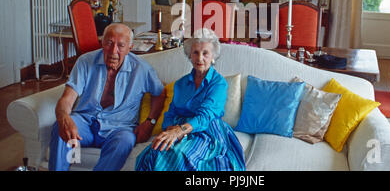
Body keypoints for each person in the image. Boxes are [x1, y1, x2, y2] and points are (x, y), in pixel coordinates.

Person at [49, 23, 166, 171]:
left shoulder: (142, 69)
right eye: (109, 43)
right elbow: (67, 98)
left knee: (126, 140)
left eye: (121, 46)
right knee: (61, 127)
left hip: (119, 127)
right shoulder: (85, 61)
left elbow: (160, 93)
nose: (113, 51)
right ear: (102, 43)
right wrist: (63, 117)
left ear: (130, 48)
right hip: (86, 121)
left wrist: (150, 122)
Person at [135, 28, 246, 171]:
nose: (200, 58)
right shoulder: (181, 83)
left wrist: (180, 131)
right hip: (179, 128)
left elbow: (205, 117)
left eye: (205, 53)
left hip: (207, 130)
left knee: (180, 156)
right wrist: (171, 130)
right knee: (151, 154)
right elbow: (171, 112)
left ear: (213, 56)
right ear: (190, 55)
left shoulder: (218, 83)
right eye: (196, 53)